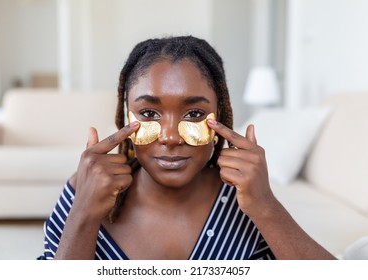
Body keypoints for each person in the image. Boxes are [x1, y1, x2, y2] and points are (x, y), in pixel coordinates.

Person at [38, 35, 335, 260]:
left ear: (219, 118)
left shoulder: (245, 200)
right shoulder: (86, 190)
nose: (170, 137)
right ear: (125, 117)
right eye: (149, 113)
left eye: (193, 114)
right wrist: (84, 214)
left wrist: (266, 207)